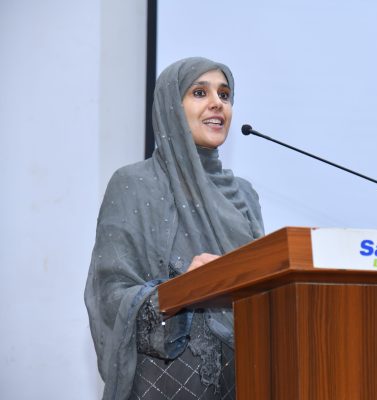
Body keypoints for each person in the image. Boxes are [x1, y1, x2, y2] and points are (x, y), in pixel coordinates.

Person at [84, 57, 264, 400]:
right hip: (165, 381)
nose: (217, 103)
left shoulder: (245, 195)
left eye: (225, 95)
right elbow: (109, 294)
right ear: (170, 106)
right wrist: (184, 287)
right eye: (200, 92)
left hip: (243, 377)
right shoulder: (133, 184)